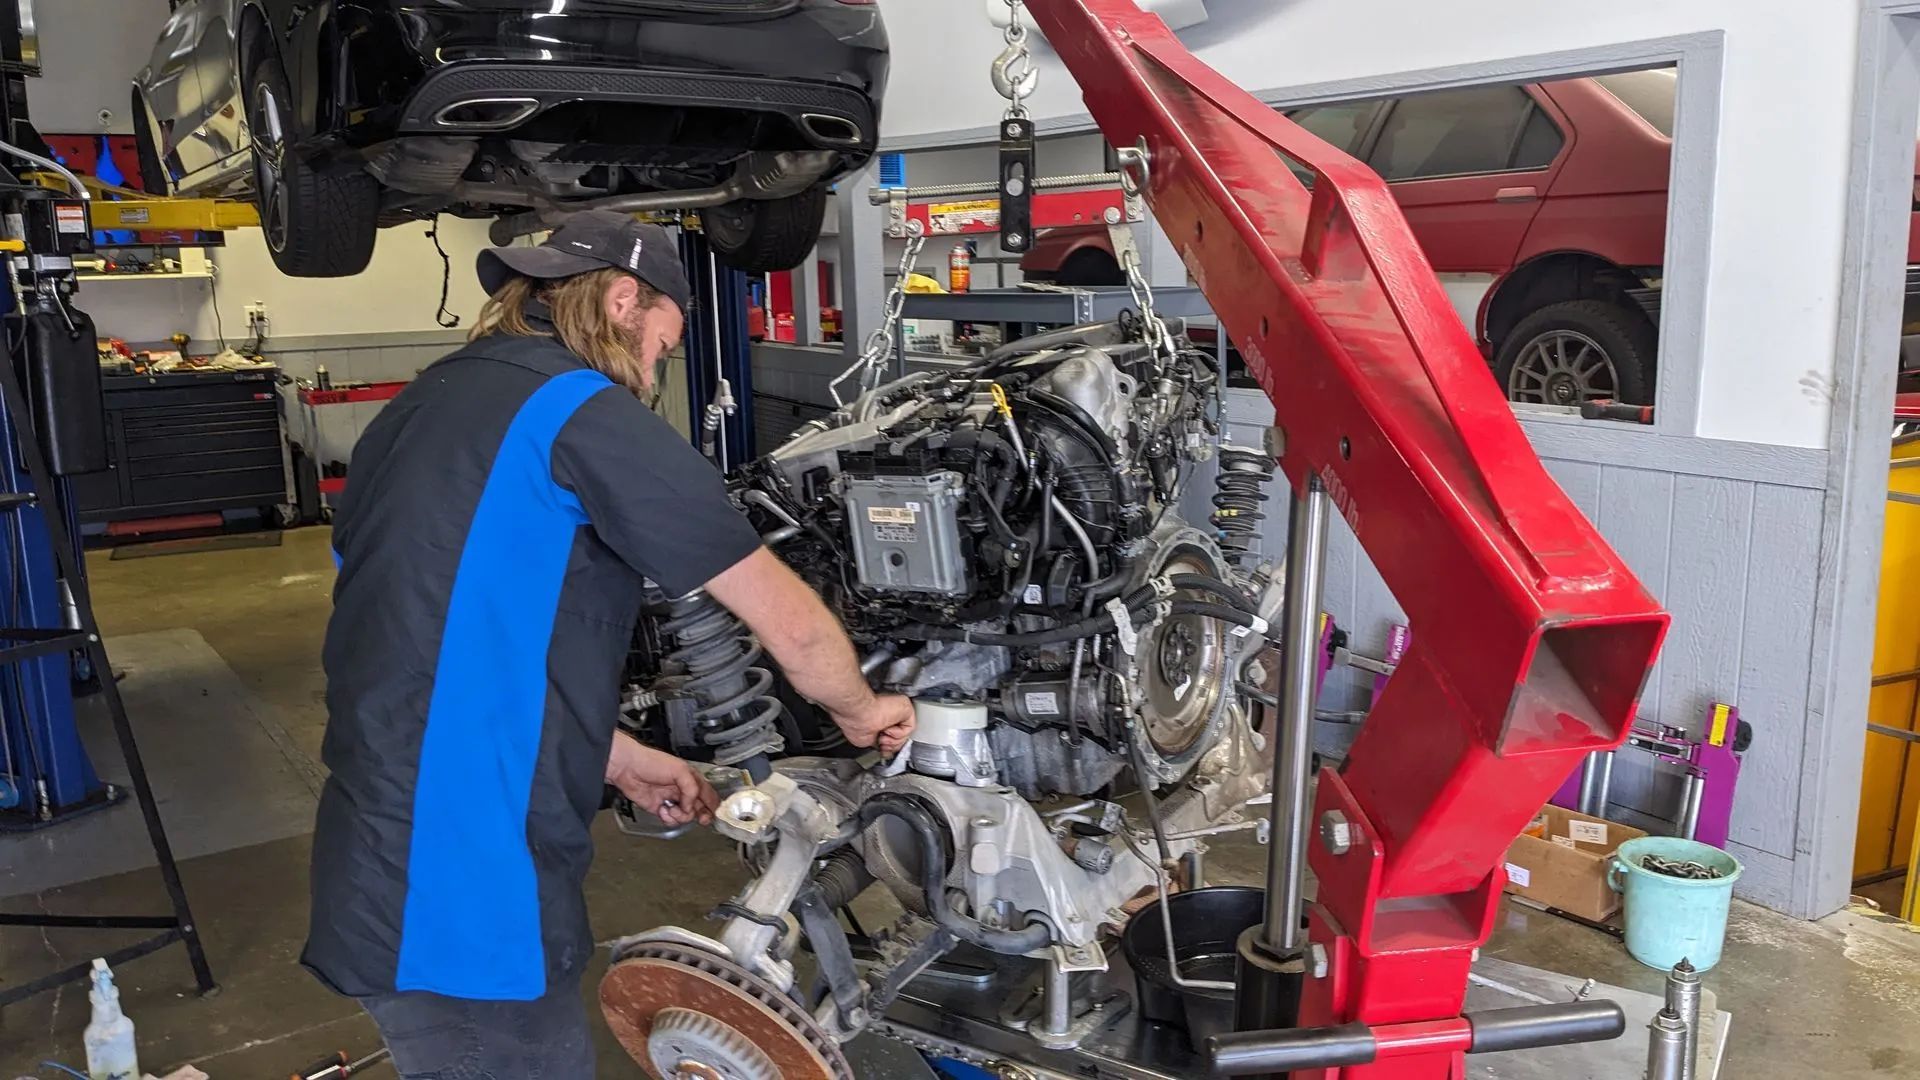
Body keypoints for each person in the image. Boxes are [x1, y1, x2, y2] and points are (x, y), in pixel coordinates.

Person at [302, 210, 916, 1078]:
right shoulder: (578, 409)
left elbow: (439, 637)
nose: (654, 369)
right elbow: (779, 611)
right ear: (625, 300)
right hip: (465, 871)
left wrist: (618, 757)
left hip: (381, 841)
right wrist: (863, 708)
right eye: (662, 346)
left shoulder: (420, 404)